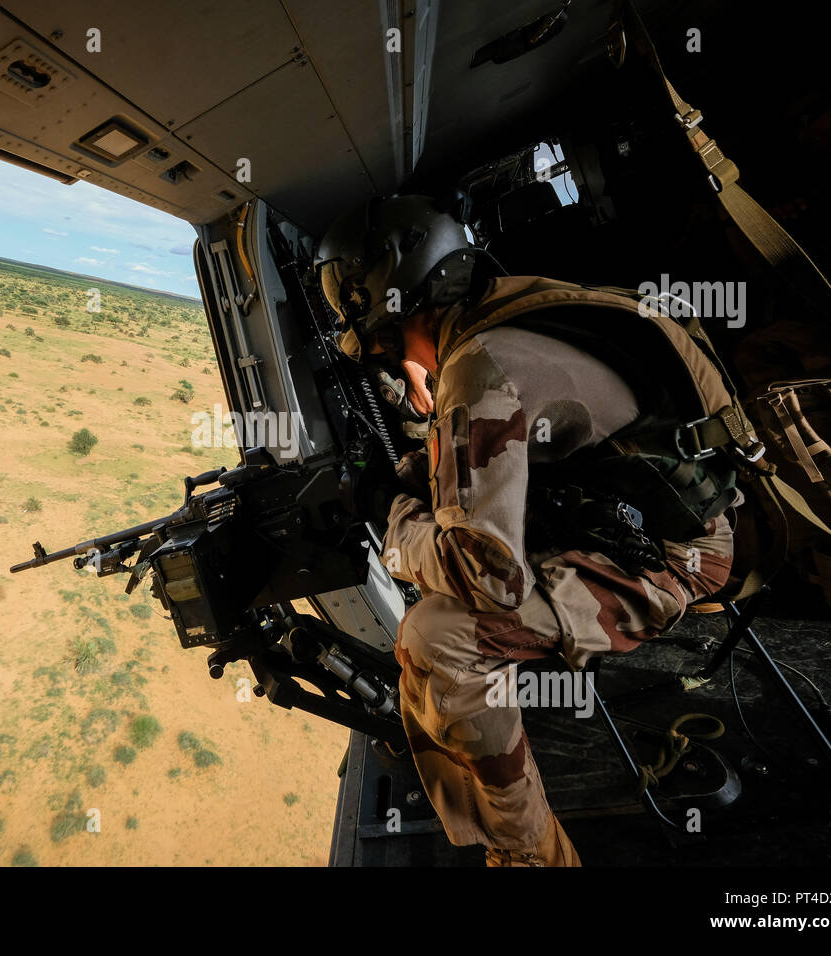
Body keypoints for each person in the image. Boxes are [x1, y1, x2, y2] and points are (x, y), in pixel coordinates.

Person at [316, 195, 753, 865]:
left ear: (383, 286)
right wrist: (412, 479)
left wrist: (392, 514)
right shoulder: (508, 319)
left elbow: (488, 575)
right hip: (661, 524)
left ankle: (530, 856)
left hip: (674, 561)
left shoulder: (478, 365)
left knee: (438, 637)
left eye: (343, 287)